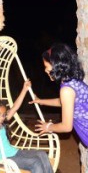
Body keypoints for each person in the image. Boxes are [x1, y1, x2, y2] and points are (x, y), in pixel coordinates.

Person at [29, 43, 88, 172]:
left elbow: (67, 126)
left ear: (57, 66)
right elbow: (65, 103)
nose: (45, 70)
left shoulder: (66, 89)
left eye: (46, 67)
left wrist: (48, 127)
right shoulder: (71, 80)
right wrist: (41, 101)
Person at [0, 80, 53, 173]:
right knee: (35, 162)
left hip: (14, 152)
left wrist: (24, 89)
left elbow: (14, 107)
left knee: (42, 154)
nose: (1, 118)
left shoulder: (1, 123)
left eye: (3, 115)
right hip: (2, 159)